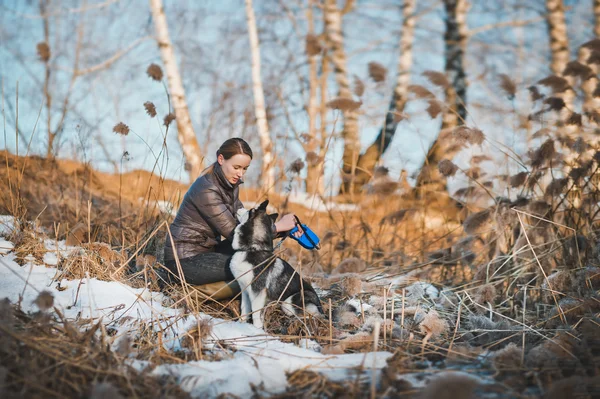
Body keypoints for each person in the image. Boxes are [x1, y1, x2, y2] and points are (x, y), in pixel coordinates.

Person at [163, 138, 299, 299]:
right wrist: (277, 227)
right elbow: (237, 235)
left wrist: (282, 230)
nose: (240, 173)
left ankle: (296, 294)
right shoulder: (206, 189)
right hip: (184, 260)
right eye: (236, 167)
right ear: (221, 159)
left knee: (261, 258)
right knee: (253, 267)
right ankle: (185, 293)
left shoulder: (229, 185)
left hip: (208, 252)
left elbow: (245, 224)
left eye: (245, 169)